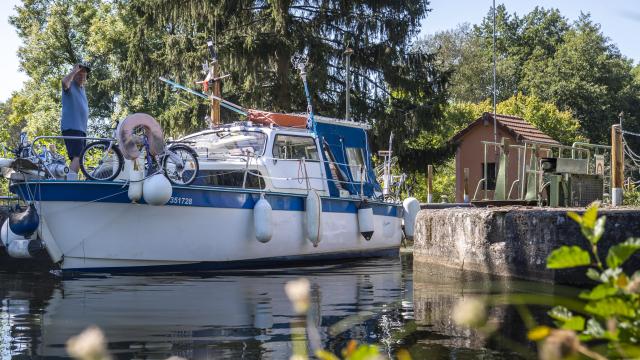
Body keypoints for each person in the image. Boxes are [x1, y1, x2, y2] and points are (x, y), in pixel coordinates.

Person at [61, 63, 90, 178]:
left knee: (79, 158)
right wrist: (74, 71)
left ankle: (72, 178)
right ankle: (70, 182)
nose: (82, 75)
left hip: (81, 130)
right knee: (77, 156)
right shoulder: (70, 84)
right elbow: (64, 82)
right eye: (79, 73)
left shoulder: (82, 89)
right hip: (72, 127)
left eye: (84, 73)